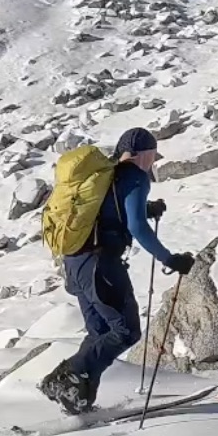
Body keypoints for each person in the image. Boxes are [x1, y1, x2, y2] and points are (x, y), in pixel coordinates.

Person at [40, 126, 195, 414]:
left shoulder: (106, 176)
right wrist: (170, 259)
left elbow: (107, 213)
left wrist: (145, 208)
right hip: (101, 265)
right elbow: (136, 227)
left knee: (99, 333)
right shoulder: (134, 177)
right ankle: (63, 378)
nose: (153, 161)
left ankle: (79, 400)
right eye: (153, 155)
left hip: (74, 264)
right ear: (144, 154)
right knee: (126, 332)